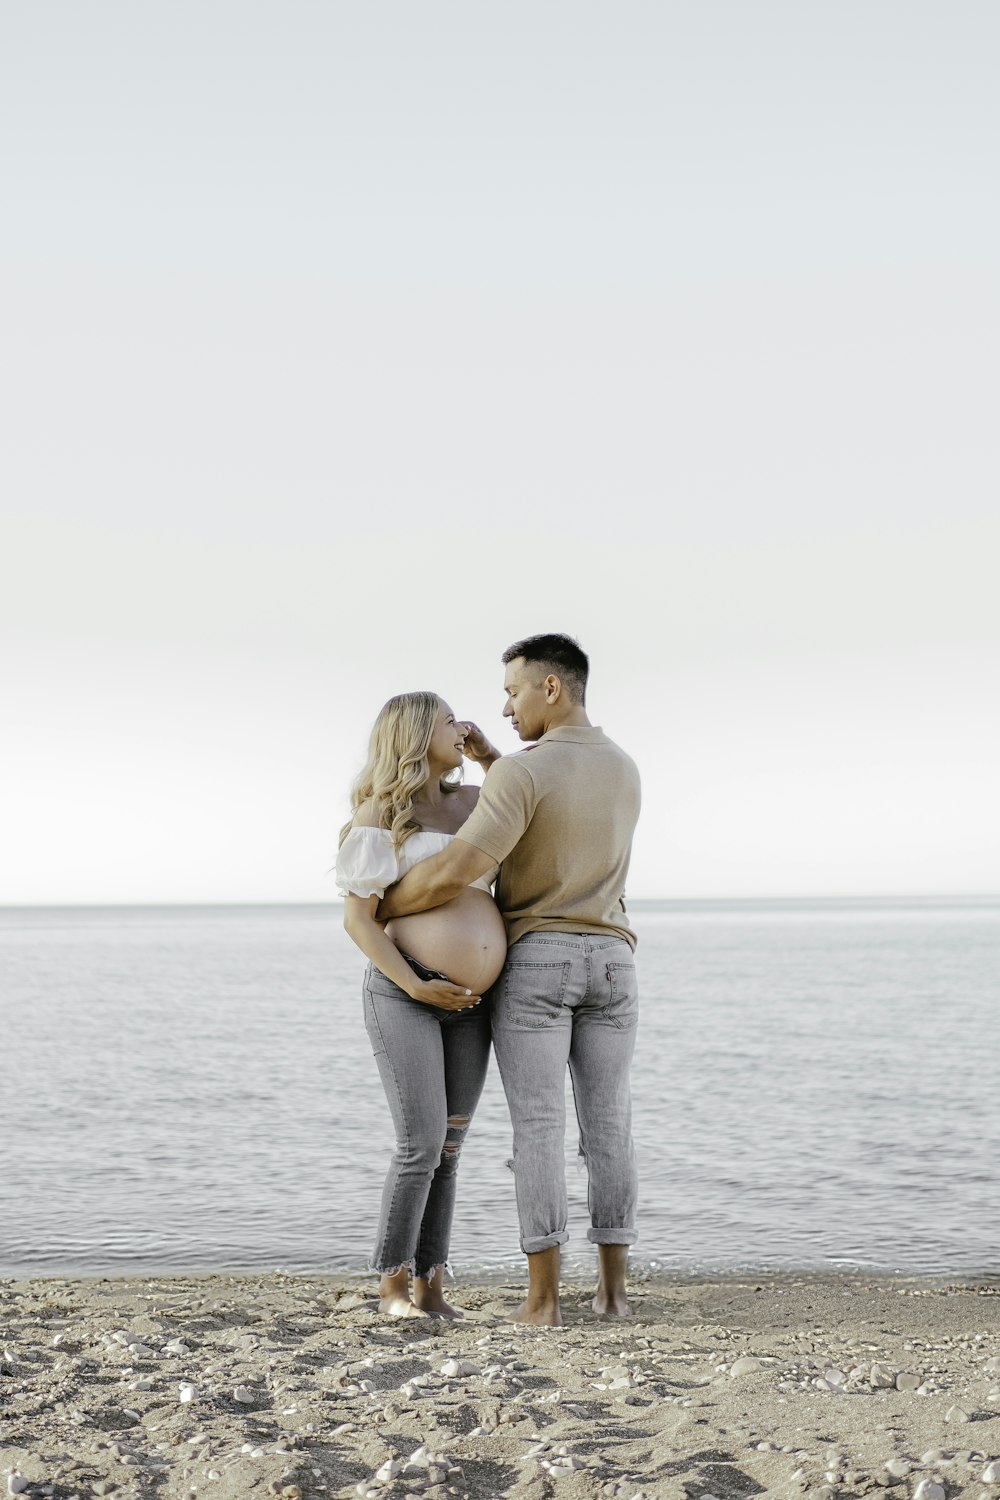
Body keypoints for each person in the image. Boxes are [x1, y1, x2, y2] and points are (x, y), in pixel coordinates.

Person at [379, 634, 641, 1327]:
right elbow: (556, 815)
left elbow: (458, 867)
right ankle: (614, 1295)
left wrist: (387, 907)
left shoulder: (526, 774)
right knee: (609, 1126)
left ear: (550, 687)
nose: (503, 708)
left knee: (539, 1131)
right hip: (615, 959)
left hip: (542, 960)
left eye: (512, 692)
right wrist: (495, 765)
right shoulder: (623, 767)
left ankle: (543, 1302)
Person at [335, 691, 507, 1318]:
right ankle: (391, 1286)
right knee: (420, 1142)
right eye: (446, 721)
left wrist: (490, 756)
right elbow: (359, 920)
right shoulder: (383, 812)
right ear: (413, 734)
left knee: (451, 1148)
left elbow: (525, 797)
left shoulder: (473, 801)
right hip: (404, 995)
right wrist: (414, 984)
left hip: (472, 1002)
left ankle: (434, 1287)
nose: (460, 727)